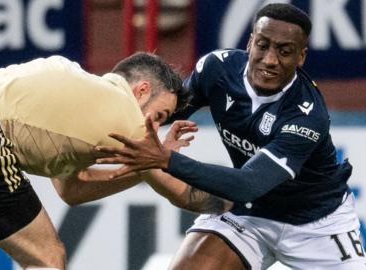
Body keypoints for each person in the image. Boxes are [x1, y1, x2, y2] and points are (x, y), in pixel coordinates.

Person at [95, 3, 366, 269]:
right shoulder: (217, 69)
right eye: (263, 45)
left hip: (317, 224)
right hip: (249, 213)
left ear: (301, 57)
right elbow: (165, 113)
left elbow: (247, 184)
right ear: (250, 43)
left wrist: (167, 160)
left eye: (284, 51)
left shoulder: (307, 115)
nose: (270, 60)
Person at [0, 52, 196, 270]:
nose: (154, 129)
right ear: (141, 90)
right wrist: (236, 199)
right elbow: (180, 191)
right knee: (46, 259)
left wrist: (141, 170)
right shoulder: (127, 114)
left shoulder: (80, 95)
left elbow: (73, 190)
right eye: (159, 116)